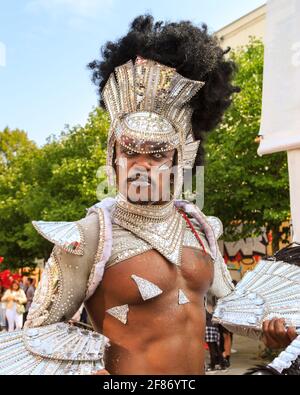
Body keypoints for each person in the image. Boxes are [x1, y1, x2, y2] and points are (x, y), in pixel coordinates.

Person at [0, 15, 297, 375]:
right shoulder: (88, 237)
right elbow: (37, 337)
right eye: (130, 151)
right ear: (113, 155)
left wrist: (273, 328)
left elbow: (231, 307)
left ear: (179, 159)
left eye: (156, 154)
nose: (141, 165)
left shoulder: (200, 227)